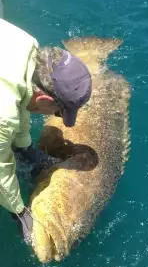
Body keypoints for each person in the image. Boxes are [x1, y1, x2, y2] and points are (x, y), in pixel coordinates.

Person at [0, 18, 92, 243]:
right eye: (58, 112)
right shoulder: (3, 112)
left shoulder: (25, 44)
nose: (57, 118)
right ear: (44, 97)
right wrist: (19, 212)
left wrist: (24, 147)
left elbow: (22, 96)